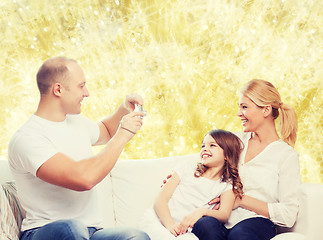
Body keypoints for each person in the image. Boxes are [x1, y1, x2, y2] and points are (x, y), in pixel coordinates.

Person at [8, 57, 150, 240]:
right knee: (71, 229)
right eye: (81, 86)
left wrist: (124, 109)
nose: (87, 93)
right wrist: (124, 134)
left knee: (135, 236)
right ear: (58, 89)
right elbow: (84, 179)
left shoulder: (77, 123)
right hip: (45, 231)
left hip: (91, 232)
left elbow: (106, 130)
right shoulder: (27, 139)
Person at [192, 79, 301, 240]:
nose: (238, 113)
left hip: (257, 221)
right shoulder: (235, 140)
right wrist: (178, 177)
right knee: (204, 225)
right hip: (223, 214)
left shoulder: (286, 156)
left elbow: (288, 214)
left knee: (240, 236)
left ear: (266, 110)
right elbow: (206, 161)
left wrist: (240, 200)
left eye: (244, 107)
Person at [139, 129, 244, 240]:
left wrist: (202, 212)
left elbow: (224, 214)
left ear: (227, 155)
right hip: (160, 222)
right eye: (203, 146)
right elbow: (160, 201)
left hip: (185, 232)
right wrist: (170, 226)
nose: (205, 149)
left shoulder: (227, 185)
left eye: (212, 145)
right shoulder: (187, 168)